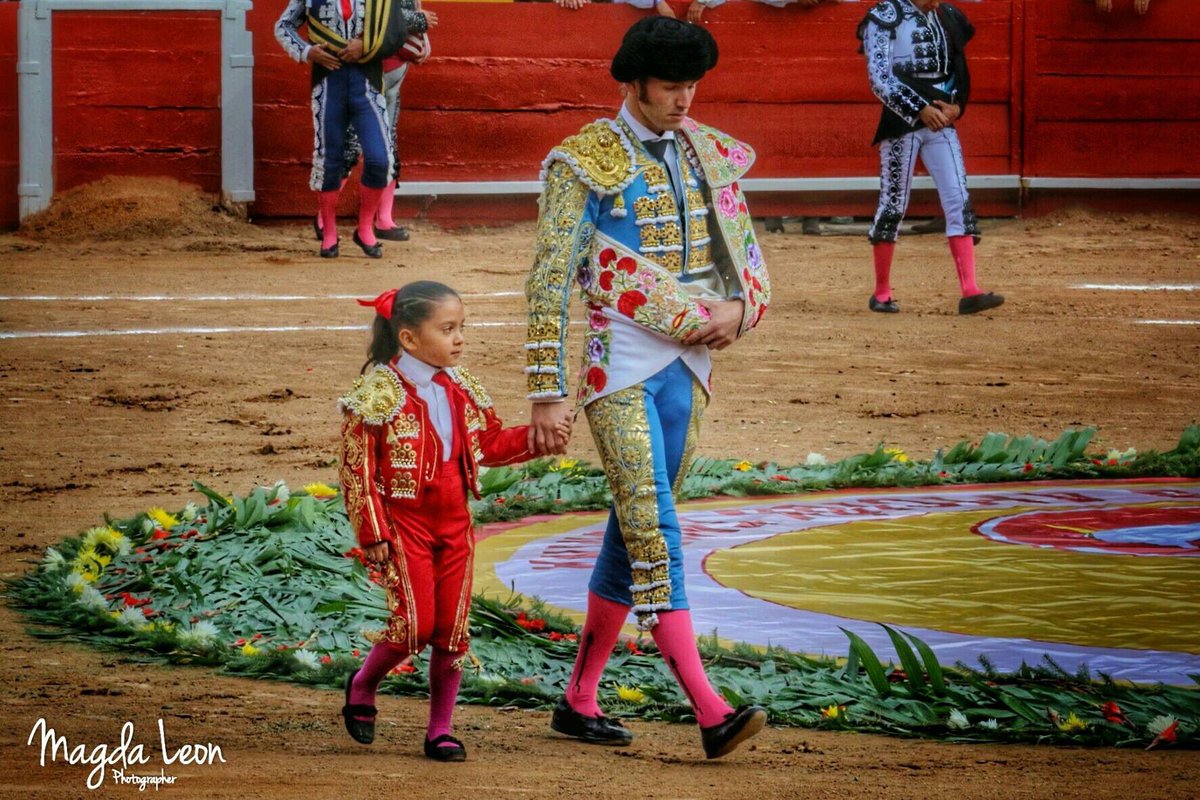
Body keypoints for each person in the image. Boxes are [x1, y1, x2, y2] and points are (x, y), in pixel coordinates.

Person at [524, 17, 771, 759]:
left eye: (691, 85)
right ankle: (709, 707)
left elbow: (746, 258)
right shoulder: (582, 162)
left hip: (687, 370)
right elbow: (548, 279)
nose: (683, 99)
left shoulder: (707, 151)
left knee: (631, 529)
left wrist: (740, 309)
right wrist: (546, 391)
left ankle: (578, 699)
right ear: (632, 84)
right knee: (655, 528)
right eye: (669, 86)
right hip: (618, 365)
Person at [337, 281, 559, 761]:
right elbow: (359, 470)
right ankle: (363, 683)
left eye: (462, 328)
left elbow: (492, 444)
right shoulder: (376, 393)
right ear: (410, 339)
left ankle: (440, 728)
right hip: (405, 524)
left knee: (452, 630)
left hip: (456, 523)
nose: (459, 339)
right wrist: (372, 532)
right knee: (415, 626)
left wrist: (538, 437)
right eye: (448, 329)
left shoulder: (464, 387)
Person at [858, 0, 1005, 315]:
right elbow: (880, 78)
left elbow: (958, 69)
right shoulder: (884, 16)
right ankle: (881, 292)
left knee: (957, 198)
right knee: (894, 203)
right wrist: (919, 109)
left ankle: (970, 291)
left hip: (941, 119)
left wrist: (957, 107)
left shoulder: (947, 16)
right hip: (902, 121)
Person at [274, 0, 425, 259]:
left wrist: (366, 46)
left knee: (380, 159)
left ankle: (365, 227)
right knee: (330, 160)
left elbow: (395, 28)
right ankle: (330, 233)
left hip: (366, 84)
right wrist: (307, 51)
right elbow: (284, 25)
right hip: (327, 85)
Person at [313, 20, 434, 245]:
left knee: (389, 144)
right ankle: (324, 217)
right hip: (364, 73)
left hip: (392, 73)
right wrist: (418, 21)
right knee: (350, 146)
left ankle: (383, 218)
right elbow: (388, 19)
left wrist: (421, 41)